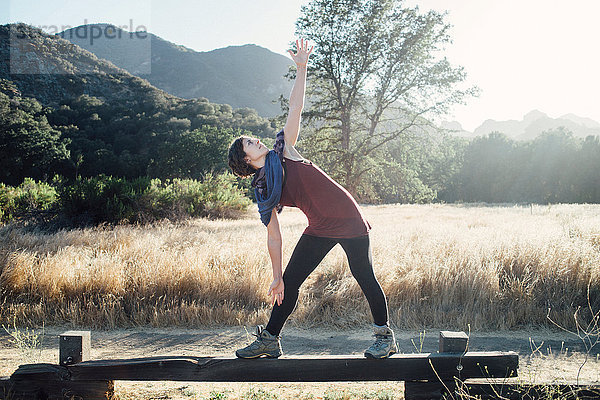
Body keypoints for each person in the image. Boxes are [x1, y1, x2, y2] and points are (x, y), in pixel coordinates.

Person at [227, 39, 397, 359]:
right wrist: (276, 277)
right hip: (319, 225)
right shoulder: (263, 190)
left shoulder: (283, 150)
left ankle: (384, 338)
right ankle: (270, 339)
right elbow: (274, 236)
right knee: (290, 282)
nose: (257, 139)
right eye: (250, 142)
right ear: (246, 160)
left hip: (347, 217)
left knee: (363, 275)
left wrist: (302, 68)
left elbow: (295, 108)